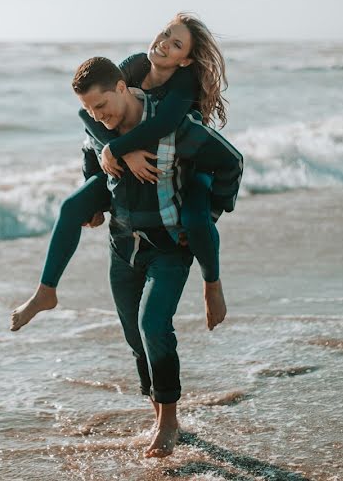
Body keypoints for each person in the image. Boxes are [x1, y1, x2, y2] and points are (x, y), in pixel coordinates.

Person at [11, 13, 230, 332]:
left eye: (177, 43)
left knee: (196, 221)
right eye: (166, 33)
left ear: (186, 60)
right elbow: (89, 113)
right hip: (138, 167)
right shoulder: (136, 65)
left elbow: (164, 124)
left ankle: (213, 286)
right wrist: (118, 153)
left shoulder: (184, 81)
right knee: (72, 207)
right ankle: (46, 291)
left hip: (189, 166)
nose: (165, 43)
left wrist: (117, 148)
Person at [71, 56, 243, 457]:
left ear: (121, 88)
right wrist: (94, 206)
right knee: (135, 338)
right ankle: (158, 411)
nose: (97, 116)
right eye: (89, 110)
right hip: (122, 249)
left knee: (152, 325)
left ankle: (169, 421)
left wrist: (208, 214)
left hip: (169, 247)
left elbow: (230, 162)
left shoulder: (174, 126)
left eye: (101, 105)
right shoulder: (102, 132)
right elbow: (89, 156)